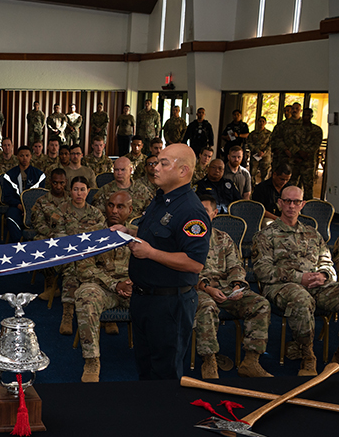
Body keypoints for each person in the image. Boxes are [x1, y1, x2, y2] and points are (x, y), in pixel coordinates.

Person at [111, 143, 210, 380]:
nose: (155, 167)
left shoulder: (191, 212)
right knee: (145, 367)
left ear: (183, 171)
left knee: (165, 373)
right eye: (156, 161)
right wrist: (130, 232)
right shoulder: (162, 199)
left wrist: (151, 253)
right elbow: (157, 236)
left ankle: (164, 415)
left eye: (164, 163)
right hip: (144, 298)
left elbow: (195, 263)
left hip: (169, 304)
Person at [252, 186, 337, 376]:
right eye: (287, 201)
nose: (291, 205)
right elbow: (262, 271)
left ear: (302, 204)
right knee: (301, 299)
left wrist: (323, 275)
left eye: (296, 201)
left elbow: (327, 262)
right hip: (281, 286)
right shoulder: (266, 235)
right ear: (279, 203)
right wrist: (300, 278)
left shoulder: (312, 234)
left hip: (316, 284)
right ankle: (308, 356)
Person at [194, 195, 272, 380]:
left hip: (226, 288)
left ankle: (251, 362)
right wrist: (207, 288)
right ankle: (209, 360)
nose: (200, 214)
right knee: (207, 307)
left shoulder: (223, 238)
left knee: (260, 304)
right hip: (199, 289)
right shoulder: (187, 238)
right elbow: (184, 270)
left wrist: (237, 286)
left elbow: (236, 266)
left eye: (205, 211)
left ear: (214, 213)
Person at [75, 191, 134, 382]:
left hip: (135, 289)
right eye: (110, 205)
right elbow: (84, 269)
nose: (114, 210)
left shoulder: (139, 233)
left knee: (164, 297)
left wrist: (134, 283)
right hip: (104, 289)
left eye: (120, 206)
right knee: (86, 295)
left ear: (130, 209)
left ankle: (157, 358)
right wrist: (114, 284)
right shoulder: (93, 235)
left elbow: (151, 264)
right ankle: (92, 360)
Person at [52, 176, 105, 335]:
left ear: (88, 191)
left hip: (92, 256)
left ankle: (107, 317)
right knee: (71, 271)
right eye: (76, 189)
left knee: (104, 268)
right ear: (70, 191)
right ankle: (68, 313)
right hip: (68, 256)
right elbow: (59, 238)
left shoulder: (96, 213)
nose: (79, 193)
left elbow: (101, 238)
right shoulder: (60, 211)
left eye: (82, 189)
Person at [31, 168, 69, 302]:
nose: (58, 186)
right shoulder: (41, 201)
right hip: (49, 236)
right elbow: (38, 223)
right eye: (55, 183)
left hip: (69, 235)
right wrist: (53, 235)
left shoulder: (72, 199)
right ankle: (50, 281)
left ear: (66, 182)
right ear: (50, 183)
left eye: (62, 183)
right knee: (39, 243)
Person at [0, 146, 46, 242]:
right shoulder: (9, 175)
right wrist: (19, 205)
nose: (24, 158)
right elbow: (7, 196)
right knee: (10, 218)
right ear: (17, 157)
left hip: (34, 207)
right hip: (16, 206)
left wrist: (30, 207)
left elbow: (42, 195)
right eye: (21, 156)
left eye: (27, 155)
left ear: (31, 157)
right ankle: (19, 242)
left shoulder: (39, 175)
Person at [93, 156, 154, 221]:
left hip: (134, 228)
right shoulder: (105, 190)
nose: (119, 173)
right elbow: (97, 215)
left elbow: (151, 213)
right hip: (111, 227)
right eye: (116, 170)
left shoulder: (142, 190)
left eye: (123, 170)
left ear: (130, 170)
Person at [290, 107, 323, 200]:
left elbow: (316, 145)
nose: (306, 117)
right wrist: (298, 153)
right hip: (295, 160)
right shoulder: (295, 129)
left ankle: (308, 208)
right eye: (304, 114)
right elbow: (290, 143)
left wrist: (305, 154)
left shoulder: (316, 130)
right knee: (292, 185)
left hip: (308, 162)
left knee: (308, 186)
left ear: (311, 116)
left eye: (308, 115)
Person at [247, 116, 272, 184]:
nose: (261, 123)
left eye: (263, 121)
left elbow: (271, 144)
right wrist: (257, 151)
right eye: (260, 121)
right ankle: (252, 188)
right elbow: (249, 143)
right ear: (257, 122)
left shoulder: (269, 134)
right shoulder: (253, 134)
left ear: (265, 123)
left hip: (265, 156)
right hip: (255, 155)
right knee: (252, 172)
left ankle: (264, 188)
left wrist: (264, 152)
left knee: (265, 173)